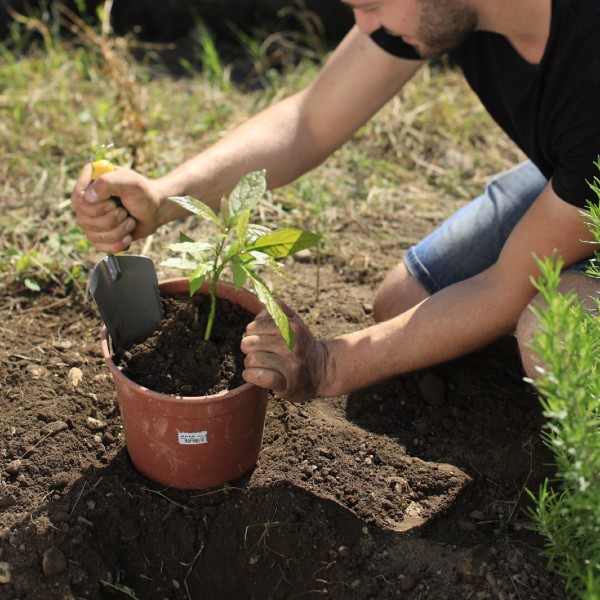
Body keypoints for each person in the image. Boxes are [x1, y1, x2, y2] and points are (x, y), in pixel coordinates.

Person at [72, 0, 600, 403]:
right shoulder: (454, 10)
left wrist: (330, 365)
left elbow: (502, 288)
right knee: (401, 305)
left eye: (371, 5)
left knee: (555, 333)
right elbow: (309, 123)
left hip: (587, 175)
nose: (366, 28)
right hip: (573, 179)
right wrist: (165, 196)